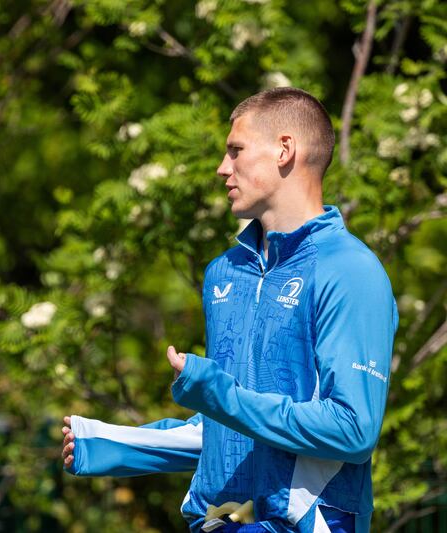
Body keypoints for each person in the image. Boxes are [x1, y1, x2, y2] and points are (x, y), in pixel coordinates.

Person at [61, 87, 398, 533]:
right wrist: (111, 444)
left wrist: (218, 393)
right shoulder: (223, 273)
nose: (223, 169)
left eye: (235, 150)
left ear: (284, 150)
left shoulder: (351, 270)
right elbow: (231, 426)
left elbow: (353, 431)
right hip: (218, 523)